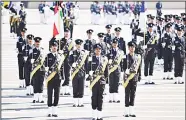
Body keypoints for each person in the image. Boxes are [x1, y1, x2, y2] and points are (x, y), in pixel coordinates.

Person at [86, 43, 108, 120]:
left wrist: (105, 80)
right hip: (94, 81)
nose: (98, 51)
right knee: (94, 97)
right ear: (94, 50)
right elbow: (87, 68)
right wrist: (89, 72)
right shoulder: (91, 58)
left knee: (100, 97)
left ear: (101, 50)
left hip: (101, 80)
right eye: (96, 49)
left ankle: (100, 115)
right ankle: (94, 115)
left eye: (99, 49)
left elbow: (106, 71)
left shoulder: (104, 59)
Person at [123, 41, 141, 118]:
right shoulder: (125, 57)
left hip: (134, 78)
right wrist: (125, 71)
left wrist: (139, 76)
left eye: (133, 47)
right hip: (127, 78)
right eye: (130, 47)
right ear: (128, 48)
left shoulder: (138, 57)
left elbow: (139, 67)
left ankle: (132, 111)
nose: (132, 49)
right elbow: (123, 66)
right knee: (127, 94)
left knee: (133, 94)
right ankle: (126, 111)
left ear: (134, 48)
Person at [45, 40, 62, 117]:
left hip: (58, 77)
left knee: (56, 94)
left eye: (55, 46)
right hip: (50, 78)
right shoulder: (48, 56)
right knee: (49, 94)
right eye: (53, 46)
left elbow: (62, 67)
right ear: (51, 47)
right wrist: (46, 69)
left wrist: (63, 76)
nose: (54, 47)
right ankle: (49, 111)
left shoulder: (60, 56)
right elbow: (44, 65)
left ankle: (55, 111)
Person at [69, 39, 89, 107]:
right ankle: (75, 102)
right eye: (77, 45)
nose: (78, 46)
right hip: (74, 72)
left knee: (81, 87)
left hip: (82, 72)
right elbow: (69, 61)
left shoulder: (84, 53)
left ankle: (80, 102)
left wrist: (87, 73)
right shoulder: (72, 52)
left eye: (80, 45)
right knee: (75, 87)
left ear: (81, 45)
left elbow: (86, 63)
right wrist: (72, 64)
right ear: (75, 45)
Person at [107, 38, 124, 103]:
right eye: (114, 43)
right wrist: (109, 61)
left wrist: (122, 70)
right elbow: (106, 59)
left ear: (117, 44)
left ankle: (116, 97)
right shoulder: (109, 51)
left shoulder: (120, 52)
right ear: (112, 44)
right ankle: (111, 98)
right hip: (111, 69)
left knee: (116, 83)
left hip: (117, 69)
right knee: (111, 83)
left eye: (116, 43)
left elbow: (122, 62)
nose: (115, 44)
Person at [29, 37, 45, 103]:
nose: (37, 43)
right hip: (35, 69)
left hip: (41, 69)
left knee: (41, 83)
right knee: (35, 83)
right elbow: (28, 59)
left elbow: (45, 60)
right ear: (34, 43)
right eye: (36, 42)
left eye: (38, 42)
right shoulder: (32, 51)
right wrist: (31, 60)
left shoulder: (43, 50)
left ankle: (40, 98)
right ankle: (35, 98)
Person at [59, 27, 74, 95]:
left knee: (67, 74)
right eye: (65, 32)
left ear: (70, 33)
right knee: (61, 74)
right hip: (61, 60)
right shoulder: (60, 41)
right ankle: (62, 89)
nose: (66, 34)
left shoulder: (71, 42)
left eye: (67, 33)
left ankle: (67, 89)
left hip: (68, 60)